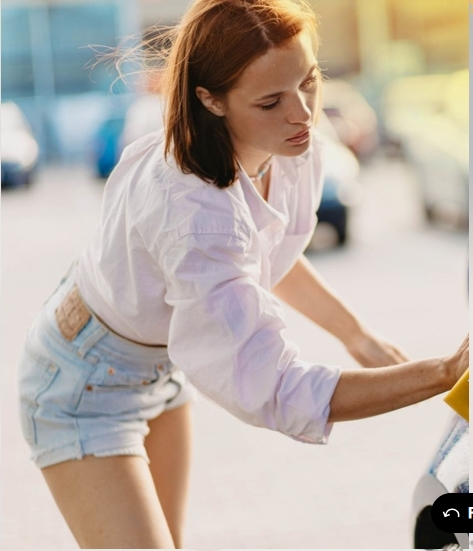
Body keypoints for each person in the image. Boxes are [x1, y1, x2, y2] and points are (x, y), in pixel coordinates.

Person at [17, 0, 468, 548]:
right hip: (82, 383)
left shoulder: (288, 144)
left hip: (158, 369)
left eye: (309, 81)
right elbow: (279, 390)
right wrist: (444, 374)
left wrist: (355, 334)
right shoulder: (192, 212)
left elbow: (260, 254)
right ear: (210, 100)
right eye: (271, 101)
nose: (302, 114)